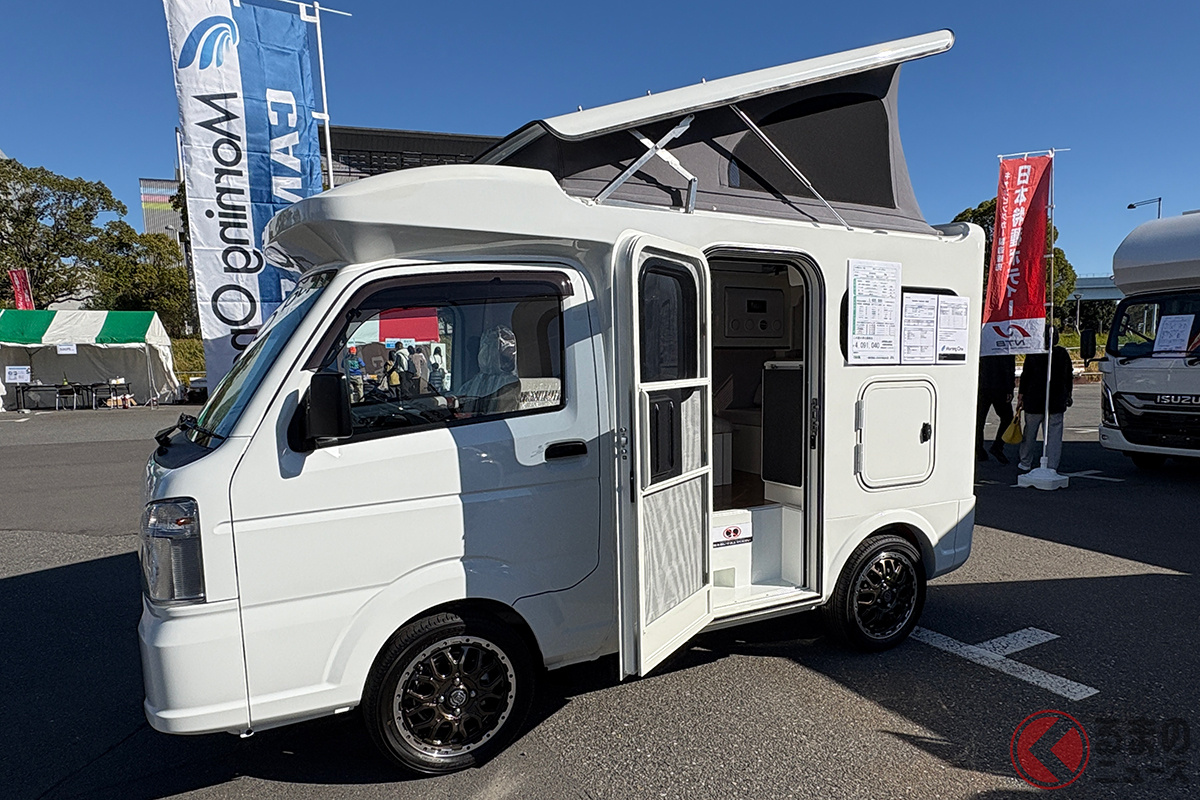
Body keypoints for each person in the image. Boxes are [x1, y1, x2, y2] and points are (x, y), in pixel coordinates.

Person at [1017, 329, 1074, 472]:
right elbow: (1068, 375)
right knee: (1054, 436)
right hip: (1056, 400)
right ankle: (1051, 465)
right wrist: (1068, 394)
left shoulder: (1034, 353)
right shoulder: (1062, 354)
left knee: (1029, 433)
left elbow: (1026, 375)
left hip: (1034, 400)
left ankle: (1025, 462)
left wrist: (1021, 395)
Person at [976, 354, 1016, 464]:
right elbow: (1009, 368)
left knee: (979, 421)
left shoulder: (983, 347)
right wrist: (1009, 389)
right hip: (1000, 387)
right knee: (1007, 418)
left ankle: (978, 449)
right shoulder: (1005, 349)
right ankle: (997, 446)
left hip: (982, 386)